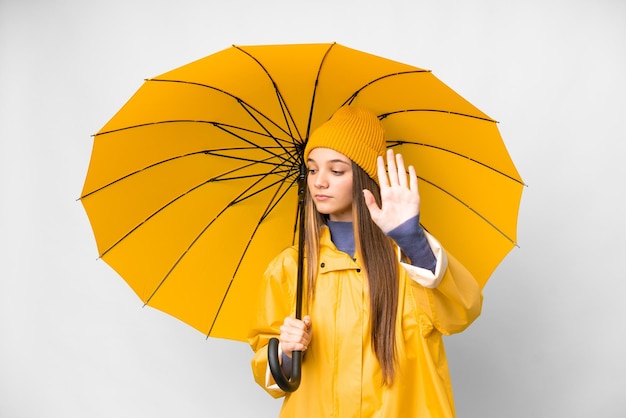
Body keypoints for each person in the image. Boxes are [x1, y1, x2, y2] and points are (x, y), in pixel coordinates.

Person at [248, 106, 482, 417]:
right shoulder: (291, 268)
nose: (319, 182)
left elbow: (463, 311)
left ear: (364, 178)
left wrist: (414, 241)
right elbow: (272, 376)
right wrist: (286, 352)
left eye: (336, 170)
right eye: (313, 169)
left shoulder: (408, 261)